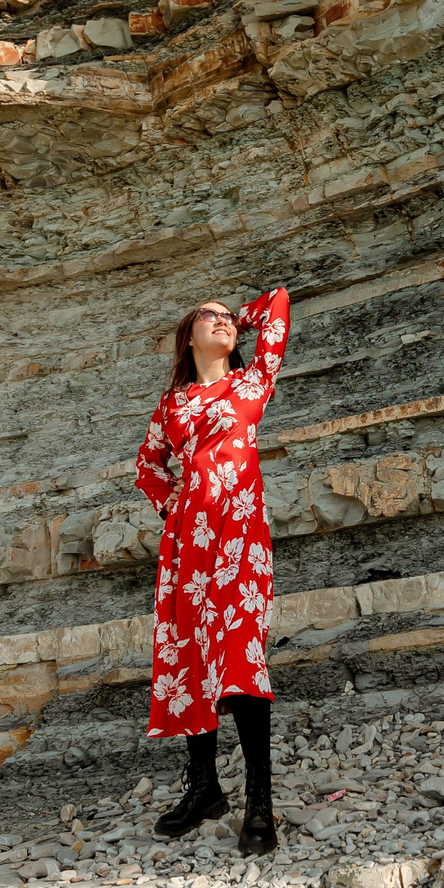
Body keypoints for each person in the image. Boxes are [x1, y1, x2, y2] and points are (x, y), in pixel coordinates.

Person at [132, 287, 291, 855]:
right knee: (192, 655)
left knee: (242, 654)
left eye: (228, 318)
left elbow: (277, 303)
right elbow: (148, 466)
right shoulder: (171, 404)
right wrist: (172, 505)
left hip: (240, 535)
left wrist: (238, 319)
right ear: (187, 335)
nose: (221, 321)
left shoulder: (252, 382)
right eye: (209, 315)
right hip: (187, 545)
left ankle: (260, 803)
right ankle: (204, 789)